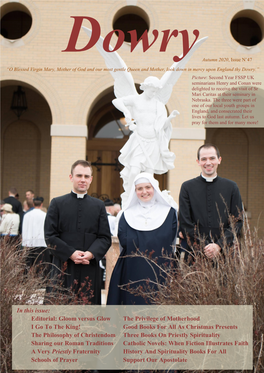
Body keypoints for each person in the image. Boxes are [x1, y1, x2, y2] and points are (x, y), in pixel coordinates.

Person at [44, 160, 111, 304]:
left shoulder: (99, 206)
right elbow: (50, 236)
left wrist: (91, 253)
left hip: (89, 267)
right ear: (71, 177)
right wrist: (71, 253)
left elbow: (105, 237)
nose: (83, 180)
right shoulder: (57, 203)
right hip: (63, 266)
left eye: (86, 176)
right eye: (79, 175)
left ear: (91, 179)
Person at [107, 172, 177, 305]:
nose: (144, 191)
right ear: (135, 191)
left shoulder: (170, 213)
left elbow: (172, 245)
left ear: (155, 188)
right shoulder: (125, 215)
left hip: (161, 274)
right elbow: (123, 247)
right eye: (139, 188)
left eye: (148, 187)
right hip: (131, 274)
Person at [112, 76, 179, 206]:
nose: (154, 94)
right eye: (152, 90)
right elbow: (116, 101)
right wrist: (126, 112)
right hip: (139, 140)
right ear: (146, 87)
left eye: (156, 91)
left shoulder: (158, 105)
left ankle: (148, 202)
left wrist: (170, 118)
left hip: (153, 142)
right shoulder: (136, 100)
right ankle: (130, 199)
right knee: (134, 171)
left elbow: (161, 127)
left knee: (149, 175)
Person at [178, 144, 243, 260]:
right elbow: (185, 223)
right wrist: (205, 247)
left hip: (225, 254)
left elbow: (237, 222)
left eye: (212, 158)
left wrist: (219, 245)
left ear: (219, 160)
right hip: (195, 255)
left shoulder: (232, 187)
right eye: (204, 159)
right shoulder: (187, 187)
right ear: (198, 162)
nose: (208, 163)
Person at [22, 197, 50, 274]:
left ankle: (27, 281)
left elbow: (24, 229)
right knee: (41, 265)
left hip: (30, 243)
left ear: (33, 204)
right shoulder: (45, 215)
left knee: (28, 265)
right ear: (42, 204)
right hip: (42, 242)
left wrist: (24, 242)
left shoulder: (27, 215)